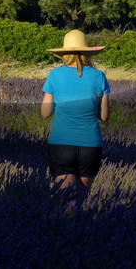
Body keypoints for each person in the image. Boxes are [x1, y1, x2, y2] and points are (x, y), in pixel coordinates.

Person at [40, 29, 110, 200]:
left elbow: (45, 113)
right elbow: (104, 116)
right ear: (86, 52)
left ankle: (63, 226)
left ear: (64, 53)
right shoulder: (99, 76)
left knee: (64, 199)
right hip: (90, 145)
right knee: (81, 198)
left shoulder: (54, 75)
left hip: (61, 143)